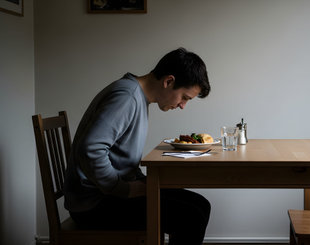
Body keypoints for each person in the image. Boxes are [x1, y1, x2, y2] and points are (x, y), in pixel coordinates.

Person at [63, 48, 211, 245]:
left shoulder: (136, 96)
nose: (183, 105)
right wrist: (123, 189)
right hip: (94, 204)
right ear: (168, 81)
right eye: (185, 97)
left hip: (105, 195)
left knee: (200, 205)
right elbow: (90, 149)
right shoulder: (127, 97)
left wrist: (142, 183)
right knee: (191, 217)